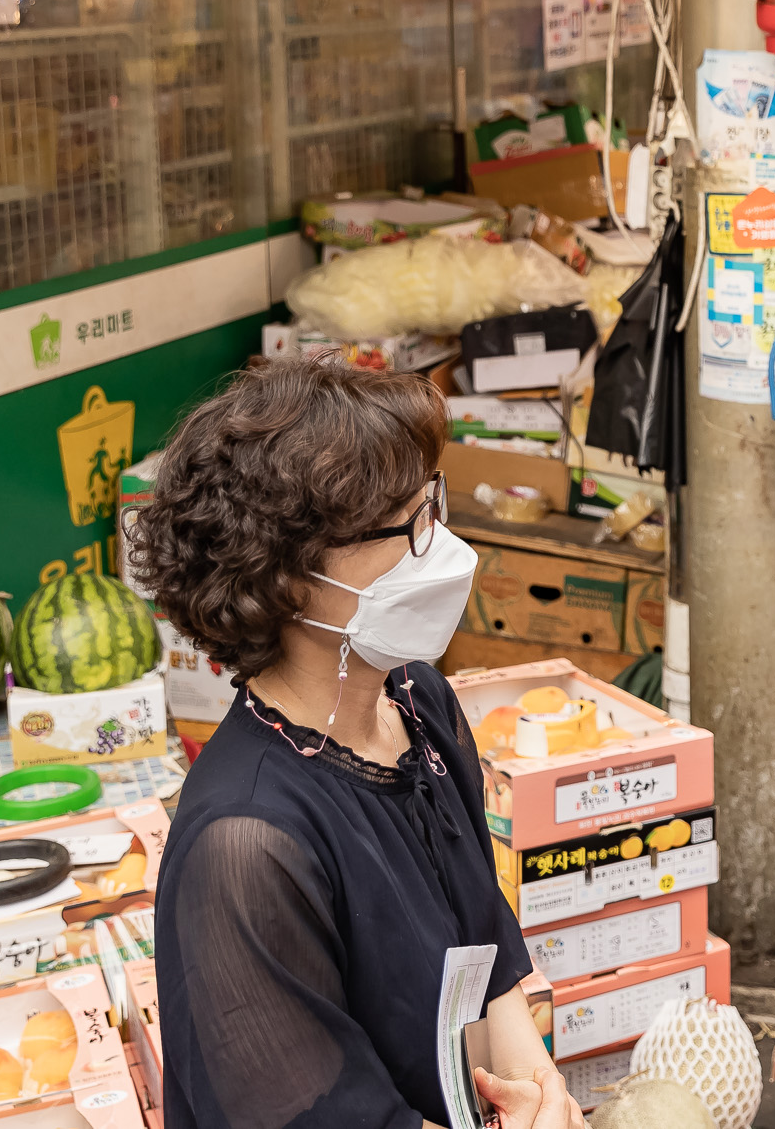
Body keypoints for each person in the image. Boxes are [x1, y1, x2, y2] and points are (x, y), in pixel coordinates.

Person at [140, 359, 583, 1129]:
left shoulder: (419, 703)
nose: (440, 545)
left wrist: (540, 1088)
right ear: (290, 577)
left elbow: (482, 937)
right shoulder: (245, 847)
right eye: (409, 524)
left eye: (433, 504)